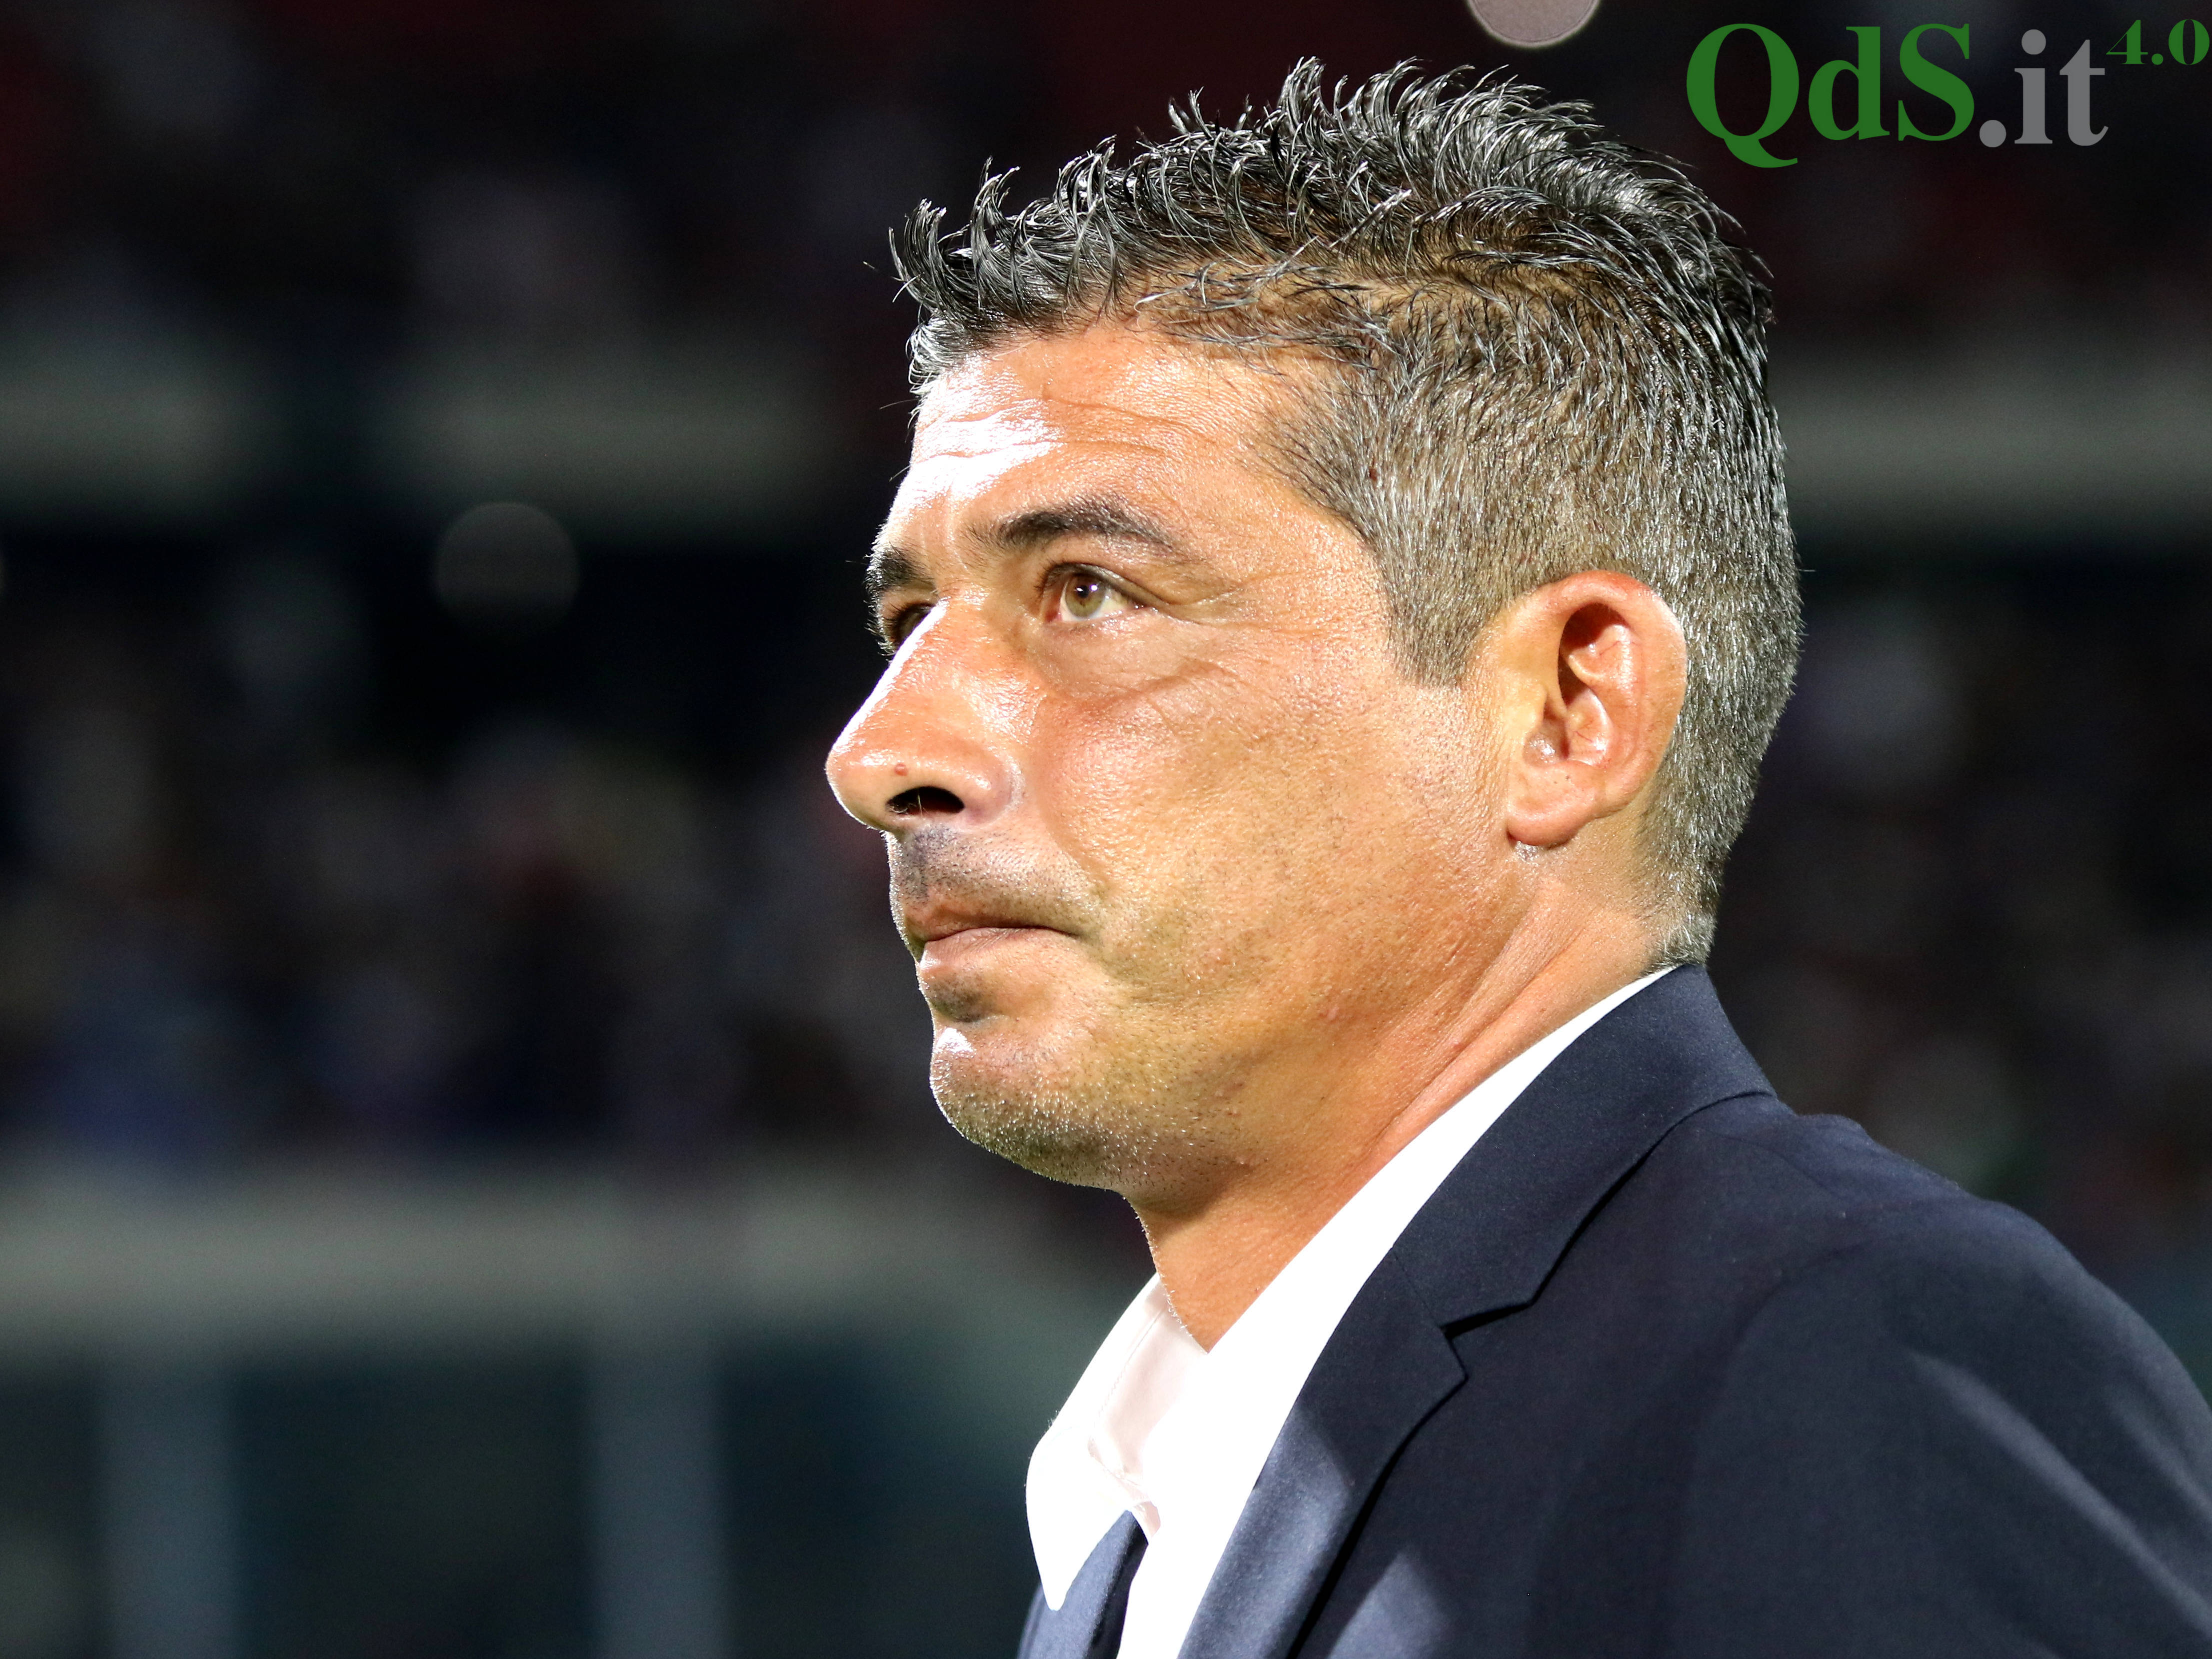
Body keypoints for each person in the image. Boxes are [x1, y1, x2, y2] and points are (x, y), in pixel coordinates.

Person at [824, 62, 2212, 1659]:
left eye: (1087, 591)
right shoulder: (1134, 1518)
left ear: (1562, 712)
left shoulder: (1846, 1372)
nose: (877, 751)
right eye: (907, 620)